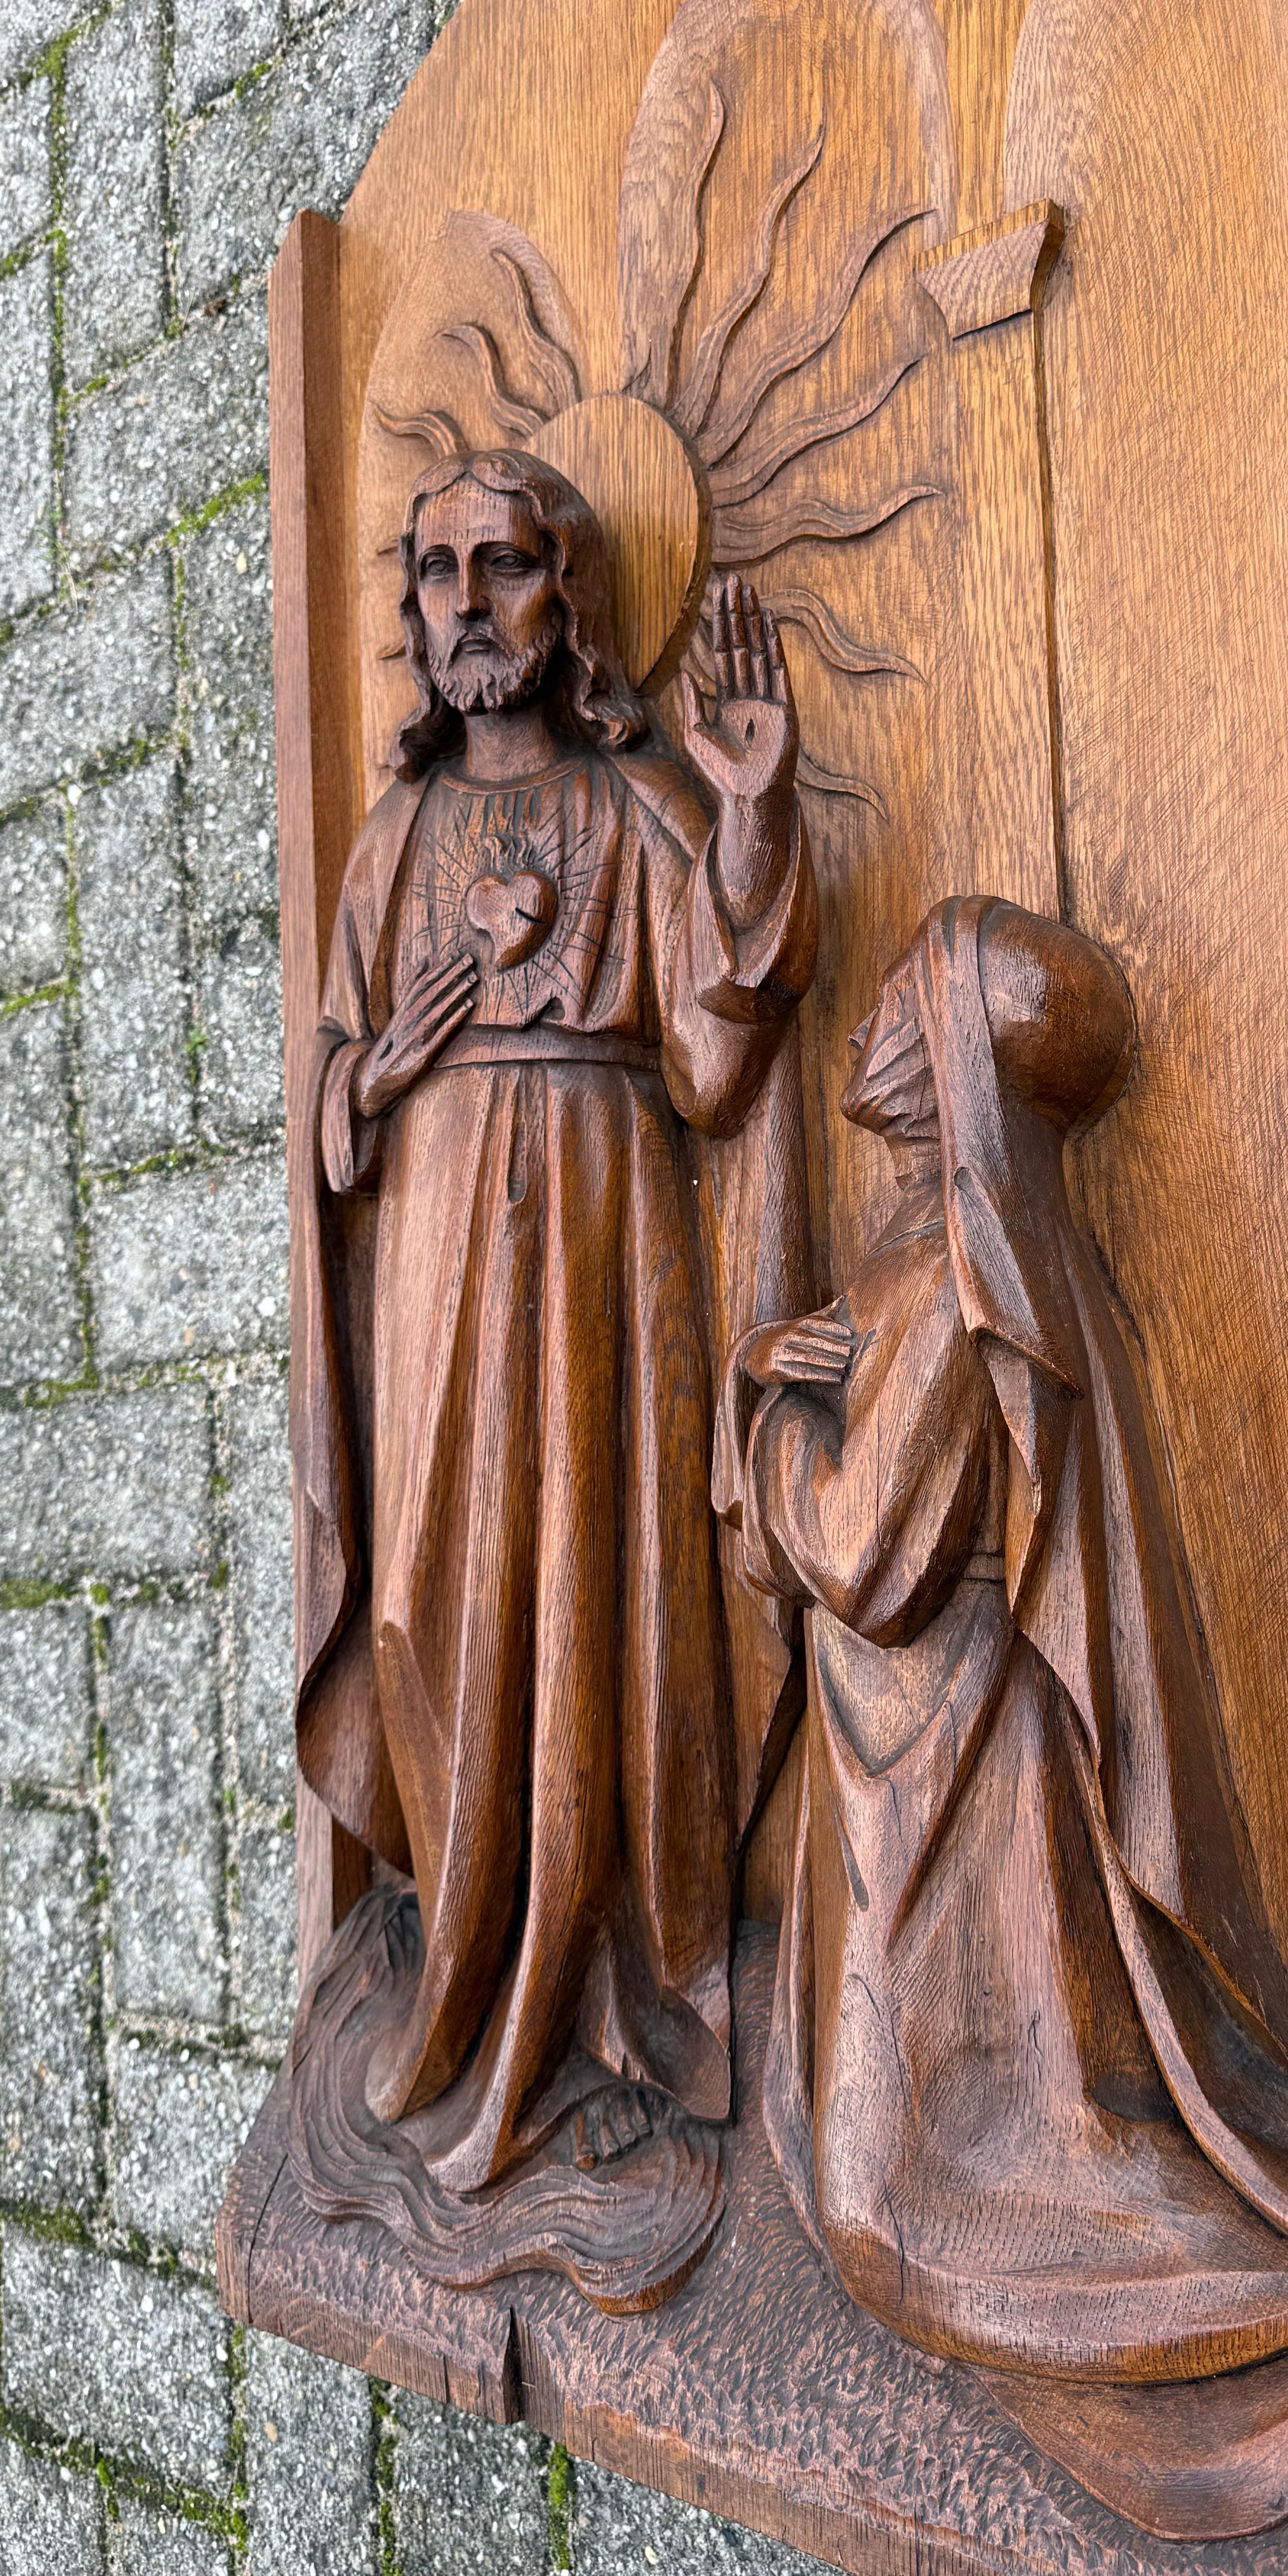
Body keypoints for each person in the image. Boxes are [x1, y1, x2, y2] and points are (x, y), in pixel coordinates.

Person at [715, 897, 1288, 2537]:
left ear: (952, 1055)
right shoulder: (984, 1251)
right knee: (893, 2170)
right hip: (933, 1758)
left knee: (893, 2217)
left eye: (902, 991)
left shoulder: (946, 1274)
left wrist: (771, 1405)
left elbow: (856, 1558)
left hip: (949, 1770)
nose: (864, 1020)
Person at [289, 448, 813, 2302]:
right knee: (435, 1596)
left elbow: (721, 1053)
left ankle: (603, 1985)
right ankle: (460, 1973)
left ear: (567, 600)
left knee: (597, 1580)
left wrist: (748, 820)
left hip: (602, 1227)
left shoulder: (635, 804)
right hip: (432, 1243)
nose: (462, 609)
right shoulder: (393, 845)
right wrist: (381, 1068)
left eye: (501, 569)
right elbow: (332, 1116)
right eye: (431, 576)